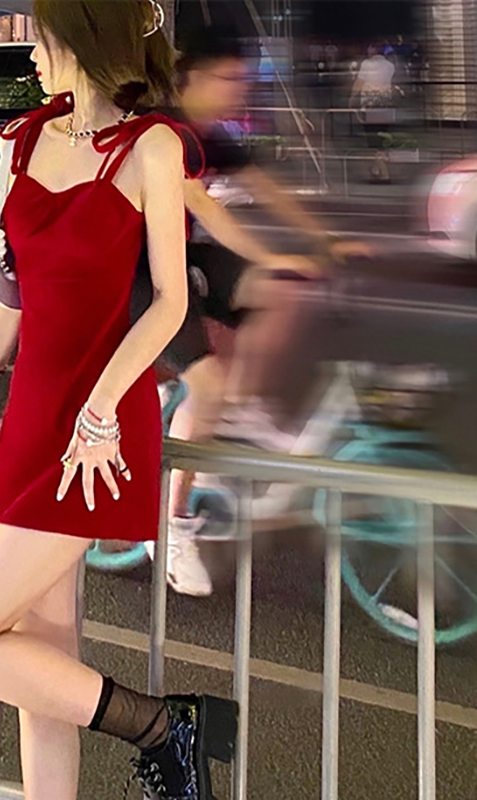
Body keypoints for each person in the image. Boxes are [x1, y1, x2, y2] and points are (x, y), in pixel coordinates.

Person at [0, 1, 238, 798]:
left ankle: (162, 725)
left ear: (85, 39)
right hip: (33, 416)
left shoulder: (150, 145)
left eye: (42, 37)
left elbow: (169, 302)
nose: (30, 54)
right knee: (42, 657)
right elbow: (10, 286)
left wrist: (99, 411)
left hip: (101, 427)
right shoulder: (23, 139)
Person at [147, 29, 369, 596]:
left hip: (184, 257)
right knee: (209, 386)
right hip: (140, 274)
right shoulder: (162, 131)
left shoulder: (209, 135)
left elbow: (267, 190)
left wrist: (324, 244)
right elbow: (207, 209)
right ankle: (170, 529)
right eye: (229, 80)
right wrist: (276, 254)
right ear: (193, 79)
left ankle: (238, 412)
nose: (238, 91)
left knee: (284, 288)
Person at [350, 42, 396, 183]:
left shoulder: (367, 64)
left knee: (374, 141)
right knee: (381, 139)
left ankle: (385, 175)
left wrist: (352, 98)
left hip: (370, 106)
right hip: (386, 105)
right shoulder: (390, 66)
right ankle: (375, 169)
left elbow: (359, 83)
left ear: (374, 48)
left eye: (369, 46)